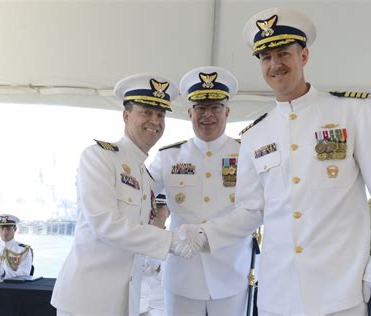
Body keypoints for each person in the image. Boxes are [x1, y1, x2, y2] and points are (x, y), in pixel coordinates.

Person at [183, 7, 371, 316]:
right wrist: (206, 233)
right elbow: (250, 211)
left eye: (283, 53)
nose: (275, 65)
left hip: (341, 291)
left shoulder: (351, 113)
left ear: (304, 56)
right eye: (266, 58)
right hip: (278, 293)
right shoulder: (255, 135)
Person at [51, 74, 193, 316]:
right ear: (126, 116)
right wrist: (170, 241)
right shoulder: (99, 157)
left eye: (160, 115)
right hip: (86, 302)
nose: (155, 121)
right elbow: (105, 224)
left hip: (124, 303)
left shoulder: (145, 176)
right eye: (146, 112)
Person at [148, 66, 251, 315]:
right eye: (200, 108)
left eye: (215, 107)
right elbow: (141, 194)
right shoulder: (169, 157)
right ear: (189, 113)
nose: (207, 115)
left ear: (227, 112)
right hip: (182, 275)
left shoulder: (247, 154)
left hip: (231, 272)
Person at [140, 194, 170, 316]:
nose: (155, 210)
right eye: (151, 205)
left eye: (160, 206)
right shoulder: (131, 238)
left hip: (161, 308)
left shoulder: (177, 243)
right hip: (135, 306)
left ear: (169, 212)